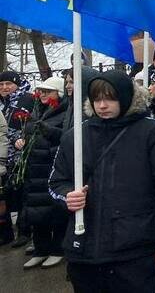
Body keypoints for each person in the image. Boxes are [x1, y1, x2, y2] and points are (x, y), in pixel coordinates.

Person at [49, 70, 155, 291]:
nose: (102, 105)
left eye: (110, 98)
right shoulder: (76, 136)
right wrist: (67, 196)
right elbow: (56, 182)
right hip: (85, 250)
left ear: (124, 96)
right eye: (97, 99)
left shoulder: (152, 132)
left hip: (134, 251)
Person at [17, 76, 69, 269]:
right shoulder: (36, 110)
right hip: (33, 170)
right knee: (36, 212)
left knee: (54, 211)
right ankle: (40, 249)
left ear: (59, 93)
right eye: (41, 91)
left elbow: (65, 140)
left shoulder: (65, 113)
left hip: (50, 169)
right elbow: (28, 133)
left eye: (48, 91)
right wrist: (22, 142)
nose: (42, 94)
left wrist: (50, 135)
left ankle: (57, 249)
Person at [1, 70, 34, 246]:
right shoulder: (2, 103)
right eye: (1, 84)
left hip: (20, 153)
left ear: (17, 84)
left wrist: (21, 139)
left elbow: (32, 123)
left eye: (9, 84)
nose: (5, 88)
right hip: (3, 154)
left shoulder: (27, 99)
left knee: (22, 192)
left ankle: (24, 230)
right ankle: (6, 232)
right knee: (6, 193)